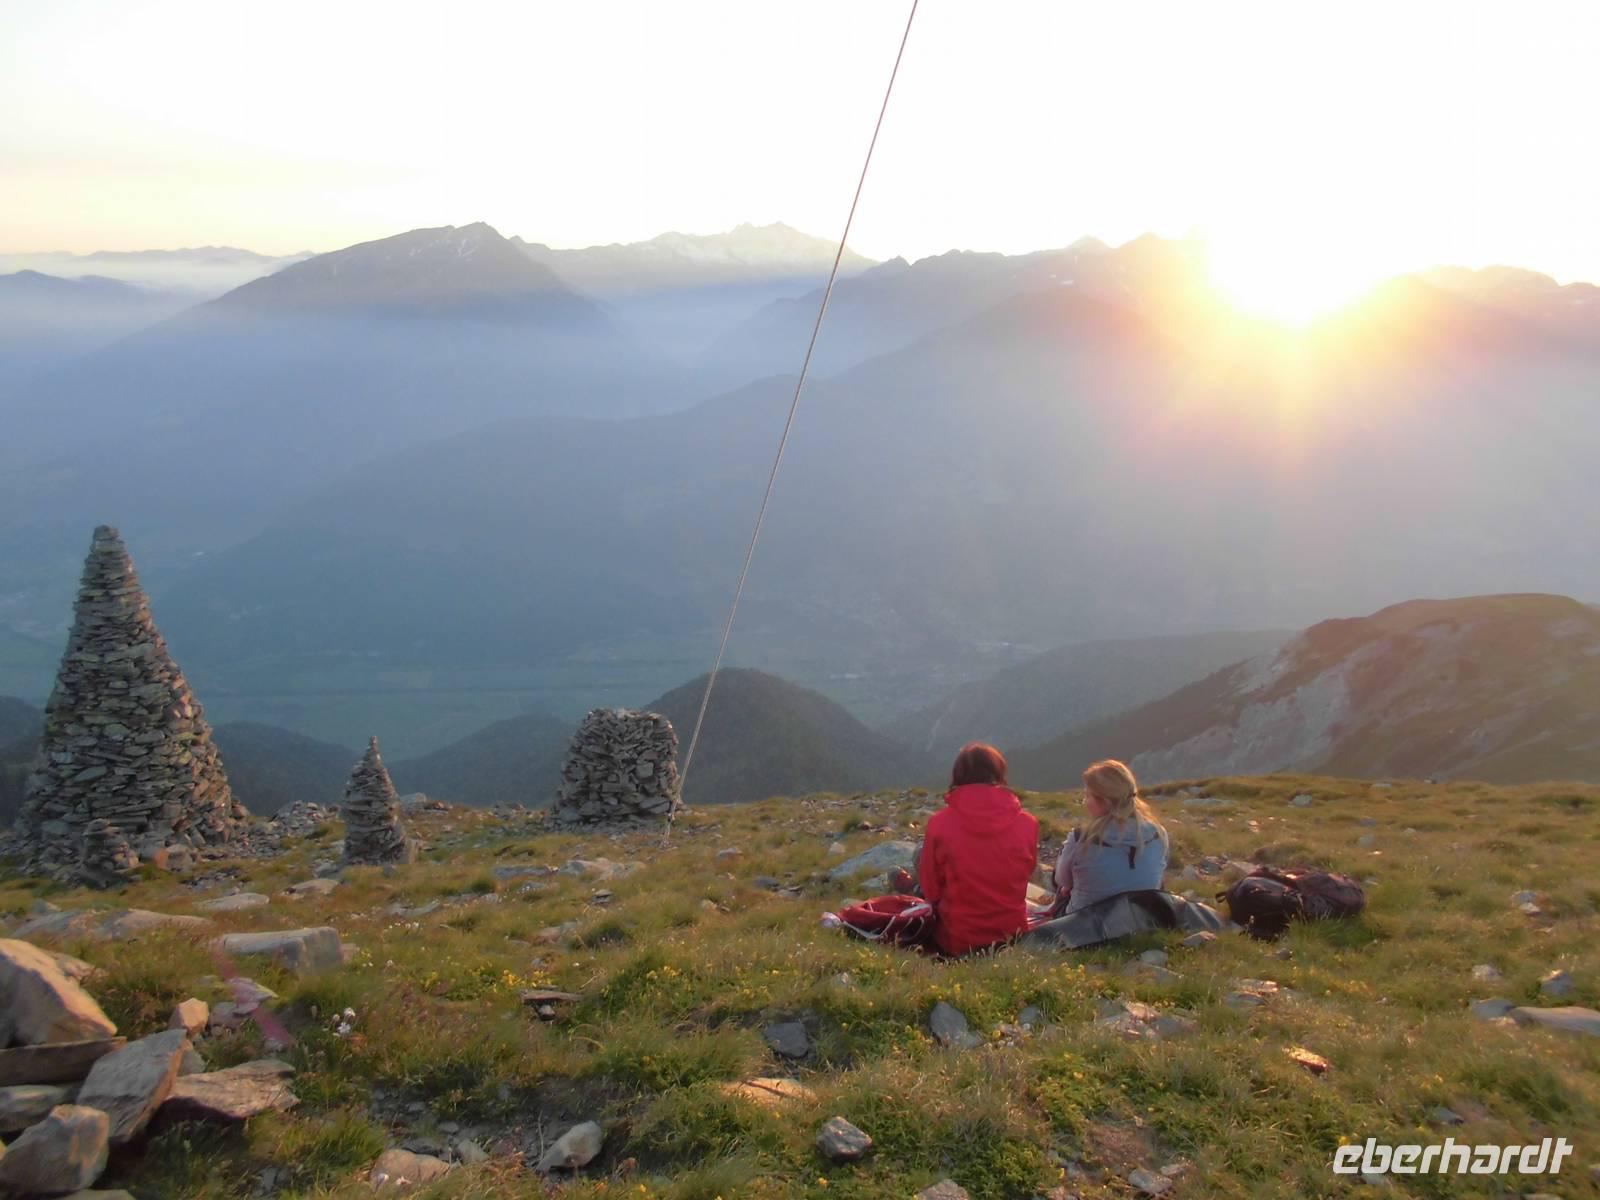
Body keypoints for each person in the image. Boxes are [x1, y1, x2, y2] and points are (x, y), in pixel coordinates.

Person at [916, 742, 1039, 956]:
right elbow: (1026, 873)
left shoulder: (939, 824)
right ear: (998, 773)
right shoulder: (1029, 824)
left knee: (919, 857)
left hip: (957, 940)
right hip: (1012, 936)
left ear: (958, 775)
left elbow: (931, 889)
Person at [1053, 759, 1169, 914]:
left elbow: (1061, 880)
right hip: (1141, 921)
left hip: (1085, 926)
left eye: (1088, 796)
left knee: (1063, 885)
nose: (1085, 802)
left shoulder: (1082, 838)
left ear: (1105, 802)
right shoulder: (1158, 833)